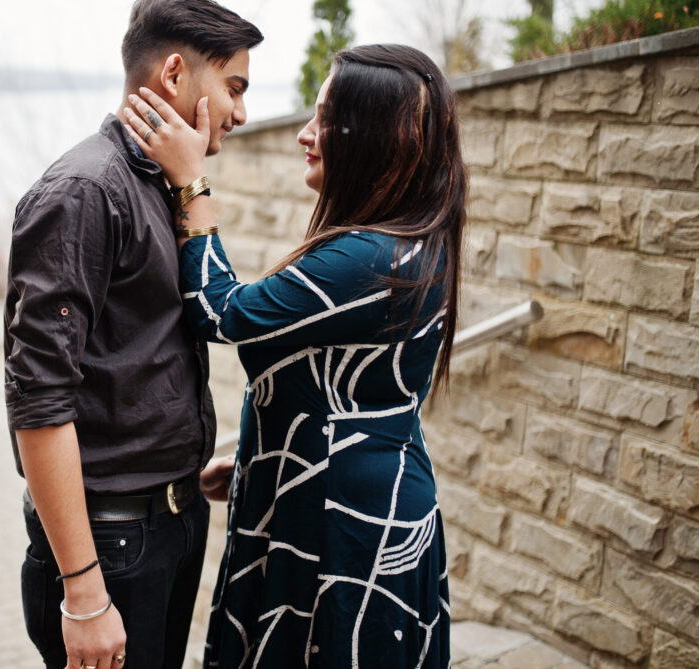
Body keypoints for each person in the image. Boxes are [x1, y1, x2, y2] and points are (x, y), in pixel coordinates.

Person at [122, 43, 461, 668]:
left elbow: (222, 312)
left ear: (379, 135)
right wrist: (265, 459)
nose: (307, 133)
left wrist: (189, 182)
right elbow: (346, 388)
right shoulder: (406, 240)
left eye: (327, 118)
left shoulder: (370, 259)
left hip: (347, 523)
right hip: (328, 491)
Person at [3, 2, 263, 668]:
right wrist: (84, 591)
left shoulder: (166, 184)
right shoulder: (84, 191)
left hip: (171, 521)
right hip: (111, 548)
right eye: (234, 86)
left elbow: (141, 352)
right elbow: (37, 400)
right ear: (176, 73)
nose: (240, 112)